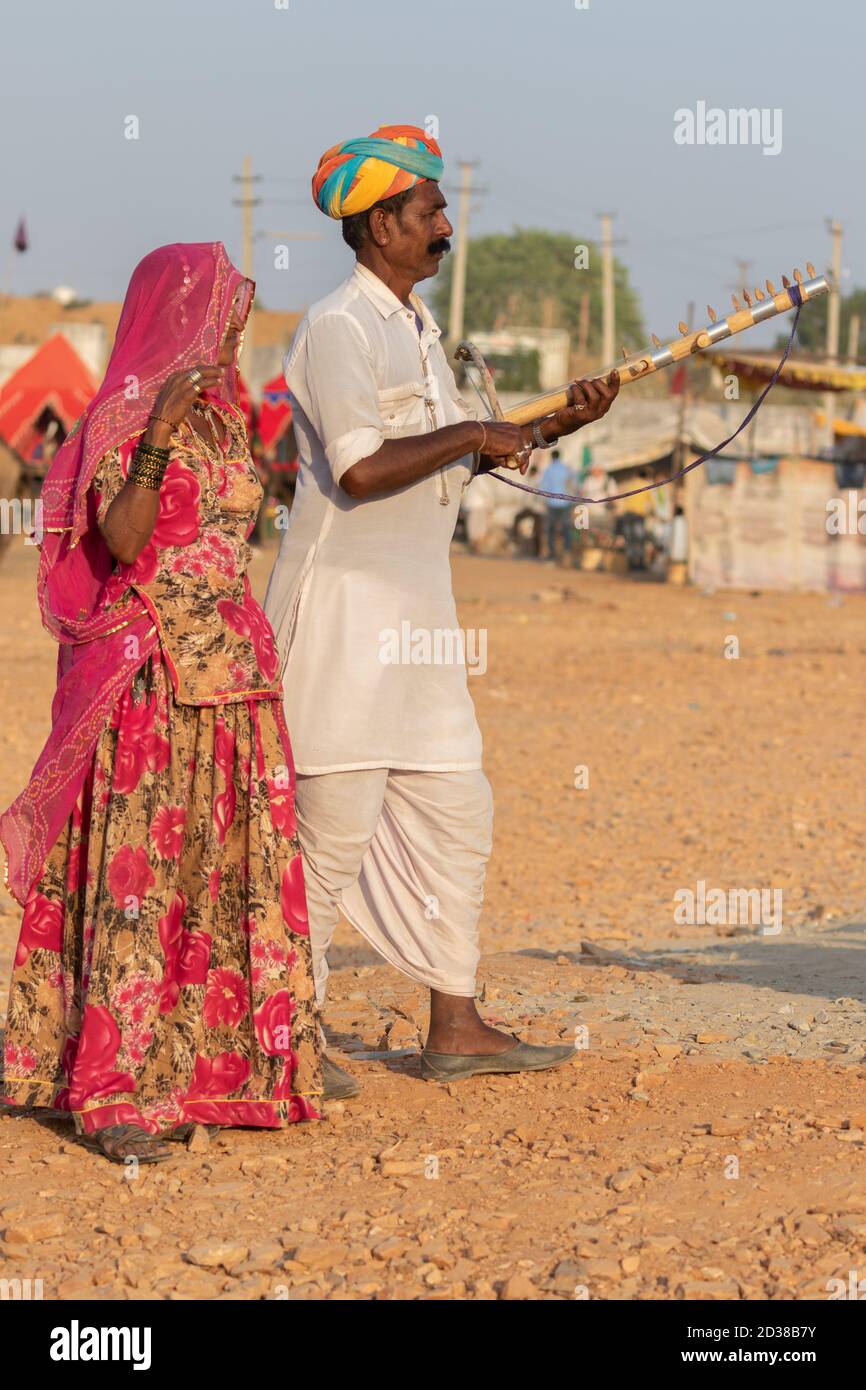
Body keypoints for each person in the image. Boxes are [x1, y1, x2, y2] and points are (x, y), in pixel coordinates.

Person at [264, 124, 619, 1093]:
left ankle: (453, 1022)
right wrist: (473, 427)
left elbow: (466, 454)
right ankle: (284, 1031)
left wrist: (555, 422)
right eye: (429, 210)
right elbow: (362, 466)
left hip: (419, 623)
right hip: (340, 620)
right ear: (381, 223)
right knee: (329, 829)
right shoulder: (337, 326)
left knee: (456, 808)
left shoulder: (418, 329)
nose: (444, 223)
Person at [0, 243, 321, 1163]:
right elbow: (124, 538)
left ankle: (211, 1073)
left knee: (217, 875)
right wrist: (153, 444)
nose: (233, 332)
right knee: (140, 880)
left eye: (237, 314)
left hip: (235, 680)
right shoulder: (125, 424)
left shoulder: (230, 427)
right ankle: (108, 1090)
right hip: (151, 683)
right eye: (221, 312)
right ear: (176, 316)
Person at [539, 448, 576, 562]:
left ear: (552, 457)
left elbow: (543, 486)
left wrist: (543, 501)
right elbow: (574, 483)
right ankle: (567, 552)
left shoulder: (548, 469)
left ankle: (552, 554)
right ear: (560, 456)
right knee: (566, 528)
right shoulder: (566, 468)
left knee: (551, 529)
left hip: (551, 503)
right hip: (565, 502)